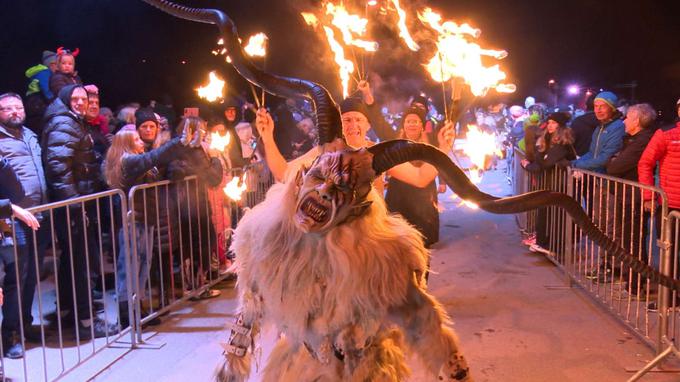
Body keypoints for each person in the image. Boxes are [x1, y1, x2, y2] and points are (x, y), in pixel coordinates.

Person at [42, 84, 117, 338]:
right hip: (75, 206)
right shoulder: (65, 123)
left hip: (78, 204)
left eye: (83, 98)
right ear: (65, 101)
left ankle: (67, 313)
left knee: (73, 261)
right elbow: (58, 167)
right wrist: (75, 203)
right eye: (74, 98)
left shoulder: (74, 122)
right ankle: (86, 321)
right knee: (85, 263)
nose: (80, 102)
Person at [104, 129, 193, 327]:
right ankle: (127, 314)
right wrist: (179, 140)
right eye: (136, 139)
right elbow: (155, 156)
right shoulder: (127, 161)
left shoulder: (137, 159)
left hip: (146, 218)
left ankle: (138, 306)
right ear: (125, 143)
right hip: (133, 221)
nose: (141, 141)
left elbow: (158, 163)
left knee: (144, 264)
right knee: (130, 267)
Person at [0, 93, 49, 357]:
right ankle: (10, 334)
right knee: (16, 278)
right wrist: (11, 207)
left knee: (31, 276)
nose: (14, 112)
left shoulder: (29, 134)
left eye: (18, 107)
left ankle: (25, 323)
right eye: (7, 108)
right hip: (11, 218)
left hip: (38, 214)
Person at [593, 103, 657, 286]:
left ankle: (635, 283)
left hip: (633, 197)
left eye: (628, 118)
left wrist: (612, 161)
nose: (624, 121)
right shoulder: (631, 139)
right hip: (625, 195)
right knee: (628, 240)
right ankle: (631, 280)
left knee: (633, 241)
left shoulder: (642, 141)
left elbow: (614, 166)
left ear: (637, 120)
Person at [638, 104, 680, 309]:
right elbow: (646, 163)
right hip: (670, 205)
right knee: (668, 253)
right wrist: (648, 195)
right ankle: (669, 298)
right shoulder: (666, 134)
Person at [519, 112, 575, 253]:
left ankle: (554, 246)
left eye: (554, 123)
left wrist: (531, 164)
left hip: (559, 185)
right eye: (549, 122)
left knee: (557, 217)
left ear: (560, 126)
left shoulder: (562, 144)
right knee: (545, 213)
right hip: (548, 184)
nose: (550, 126)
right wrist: (530, 165)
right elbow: (541, 161)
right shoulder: (547, 141)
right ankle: (544, 243)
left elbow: (546, 163)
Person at [24, 50, 58, 136]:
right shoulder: (44, 72)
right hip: (37, 101)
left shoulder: (44, 72)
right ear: (52, 64)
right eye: (57, 65)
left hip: (35, 102)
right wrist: (56, 104)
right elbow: (46, 90)